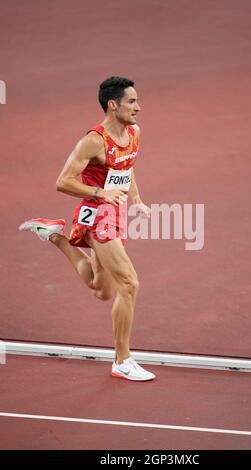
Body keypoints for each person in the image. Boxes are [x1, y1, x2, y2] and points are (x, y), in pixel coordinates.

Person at [19, 76, 155, 382]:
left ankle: (55, 236)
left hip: (115, 211)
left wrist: (137, 199)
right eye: (132, 102)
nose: (138, 107)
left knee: (101, 290)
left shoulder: (134, 132)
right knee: (129, 284)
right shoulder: (93, 141)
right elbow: (63, 181)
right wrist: (99, 194)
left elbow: (126, 168)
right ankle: (122, 360)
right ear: (113, 104)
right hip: (97, 214)